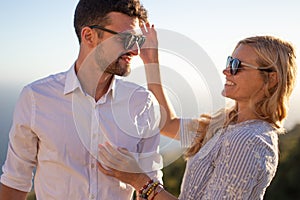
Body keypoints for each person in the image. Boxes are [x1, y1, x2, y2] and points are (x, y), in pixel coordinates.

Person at [97, 24, 298, 200]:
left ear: (271, 79)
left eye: (237, 66)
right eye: (229, 62)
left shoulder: (249, 140)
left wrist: (139, 180)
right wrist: (151, 61)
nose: (226, 71)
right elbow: (167, 124)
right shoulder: (225, 123)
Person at [0, 0, 164, 199]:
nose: (136, 51)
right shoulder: (35, 98)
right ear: (88, 36)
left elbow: (151, 186)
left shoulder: (143, 103)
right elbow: (15, 182)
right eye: (126, 39)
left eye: (138, 41)